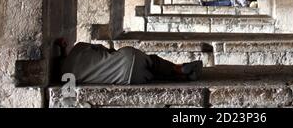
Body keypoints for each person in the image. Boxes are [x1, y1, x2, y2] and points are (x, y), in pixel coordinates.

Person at [55, 39, 203, 85]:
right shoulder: (79, 48)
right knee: (154, 62)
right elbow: (104, 49)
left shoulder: (68, 77)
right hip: (129, 57)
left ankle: (182, 77)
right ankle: (179, 68)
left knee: (155, 77)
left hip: (127, 78)